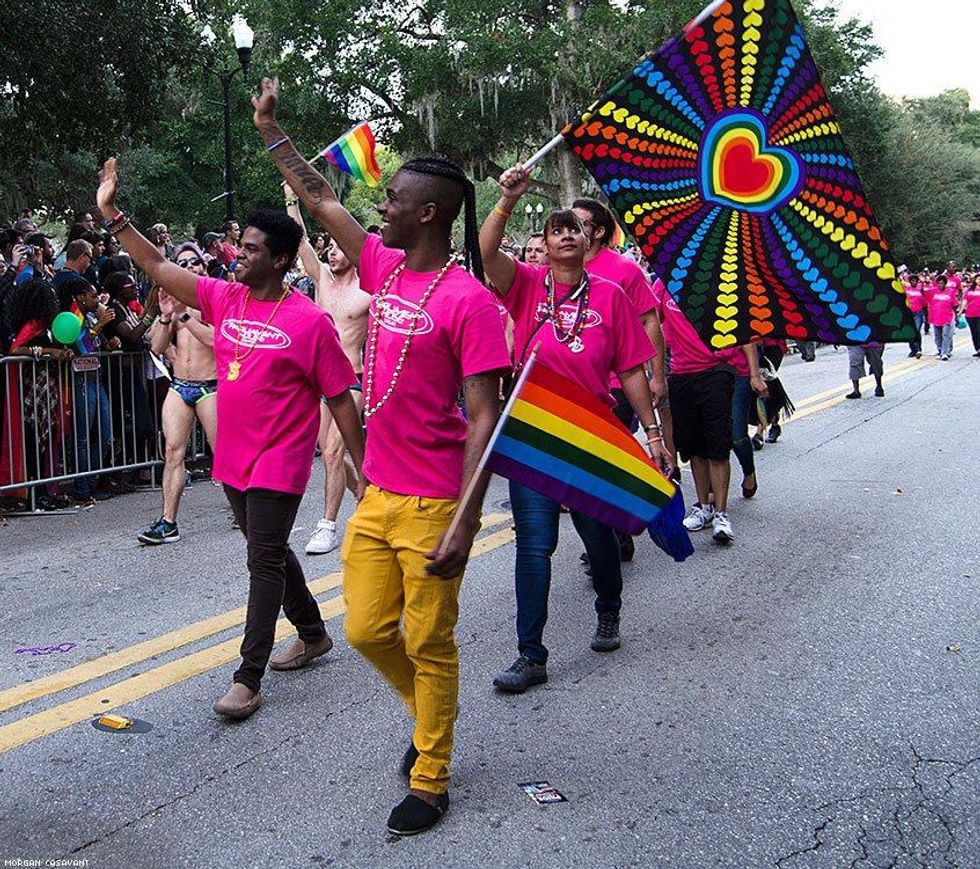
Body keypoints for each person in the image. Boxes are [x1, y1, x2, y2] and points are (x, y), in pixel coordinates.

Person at [253, 76, 510, 836]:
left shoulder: (469, 302)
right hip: (380, 495)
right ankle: (428, 712)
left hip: (435, 502)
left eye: (394, 199)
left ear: (427, 211)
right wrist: (272, 132)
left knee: (429, 639)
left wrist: (465, 524)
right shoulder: (383, 267)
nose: (381, 208)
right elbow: (321, 196)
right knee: (366, 630)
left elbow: (485, 417)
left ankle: (431, 774)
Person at [95, 157, 366, 722]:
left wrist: (365, 468)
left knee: (262, 559)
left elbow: (340, 398)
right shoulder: (225, 297)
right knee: (265, 548)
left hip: (282, 462)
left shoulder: (308, 321)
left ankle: (248, 676)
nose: (238, 255)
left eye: (250, 249)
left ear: (281, 259)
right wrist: (112, 214)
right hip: (234, 459)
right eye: (239, 247)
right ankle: (313, 632)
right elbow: (158, 265)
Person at [480, 165, 667, 695]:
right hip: (534, 433)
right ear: (542, 243)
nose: (564, 234)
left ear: (590, 241)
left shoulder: (611, 295)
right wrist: (507, 201)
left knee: (597, 536)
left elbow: (632, 370)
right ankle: (530, 654)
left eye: (574, 229)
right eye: (555, 229)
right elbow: (487, 250)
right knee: (534, 546)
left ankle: (609, 609)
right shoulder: (525, 283)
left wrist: (652, 435)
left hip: (591, 432)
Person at [283, 184, 371, 554]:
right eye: (329, 247)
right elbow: (299, 238)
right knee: (326, 450)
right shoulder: (320, 278)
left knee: (334, 452)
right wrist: (291, 197)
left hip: (352, 379)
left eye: (339, 246)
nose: (333, 252)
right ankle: (363, 493)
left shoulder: (369, 289)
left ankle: (328, 524)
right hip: (319, 378)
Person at [657, 287, 767, 543]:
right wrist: (657, 374)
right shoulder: (662, 286)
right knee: (695, 448)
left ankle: (721, 513)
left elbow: (744, 330)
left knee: (718, 445)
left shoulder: (720, 283)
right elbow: (650, 321)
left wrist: (754, 373)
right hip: (682, 374)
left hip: (718, 371)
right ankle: (704, 508)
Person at [139, 245, 218, 544]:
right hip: (180, 386)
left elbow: (216, 341)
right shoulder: (174, 302)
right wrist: (165, 316)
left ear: (203, 266)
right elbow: (157, 348)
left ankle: (246, 508)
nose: (188, 267)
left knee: (223, 453)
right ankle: (168, 521)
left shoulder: (213, 300)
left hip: (212, 387)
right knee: (172, 453)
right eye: (182, 263)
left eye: (193, 262)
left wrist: (185, 318)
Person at [924, 275, 957, 360]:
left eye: (942, 283)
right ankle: (940, 350)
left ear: (945, 284)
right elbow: (923, 295)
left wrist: (956, 316)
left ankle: (945, 353)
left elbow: (955, 304)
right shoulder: (932, 292)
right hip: (935, 317)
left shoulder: (950, 292)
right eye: (939, 283)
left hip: (947, 317)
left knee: (946, 335)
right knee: (937, 336)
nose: (940, 285)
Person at [904, 275, 926, 358]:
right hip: (909, 313)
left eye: (915, 281)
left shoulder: (920, 290)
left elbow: (924, 303)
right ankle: (913, 349)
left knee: (916, 330)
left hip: (918, 313)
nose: (914, 282)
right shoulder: (906, 290)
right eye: (912, 281)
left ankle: (918, 349)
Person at [959, 274, 980, 357]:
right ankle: (977, 348)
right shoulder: (970, 290)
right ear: (974, 280)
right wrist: (960, 311)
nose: (979, 280)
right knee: (974, 332)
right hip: (970, 314)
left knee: (979, 331)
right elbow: (965, 301)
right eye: (978, 279)